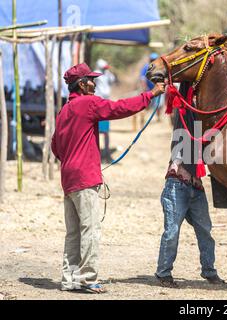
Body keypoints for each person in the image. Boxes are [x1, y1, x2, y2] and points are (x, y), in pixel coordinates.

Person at [51, 62, 165, 294]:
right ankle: (87, 279)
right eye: (91, 80)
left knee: (73, 232)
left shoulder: (64, 111)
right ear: (82, 84)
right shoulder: (88, 103)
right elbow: (119, 108)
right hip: (84, 178)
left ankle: (70, 279)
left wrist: (74, 157)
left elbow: (56, 148)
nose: (95, 84)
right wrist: (151, 94)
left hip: (69, 178)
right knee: (90, 229)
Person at [155, 82, 224, 288]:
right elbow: (185, 97)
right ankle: (163, 273)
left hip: (195, 186)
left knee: (205, 231)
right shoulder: (184, 115)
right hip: (177, 185)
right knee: (172, 232)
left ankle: (209, 271)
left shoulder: (202, 126)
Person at [94, 59, 116, 163]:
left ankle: (106, 152)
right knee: (97, 130)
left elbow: (113, 79)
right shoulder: (95, 74)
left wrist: (108, 71)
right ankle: (97, 154)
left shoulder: (107, 74)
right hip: (99, 103)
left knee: (106, 130)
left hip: (106, 103)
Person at [140, 52, 162, 122]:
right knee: (148, 104)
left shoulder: (159, 67)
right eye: (152, 59)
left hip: (158, 88)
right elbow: (142, 78)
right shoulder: (146, 67)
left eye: (154, 59)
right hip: (149, 89)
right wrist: (144, 87)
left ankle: (158, 118)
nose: (153, 60)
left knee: (159, 105)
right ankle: (143, 116)